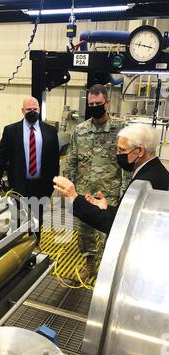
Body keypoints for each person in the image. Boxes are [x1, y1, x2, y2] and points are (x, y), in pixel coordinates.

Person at [54, 124, 169, 235]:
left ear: (140, 151)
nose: (118, 155)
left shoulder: (146, 183)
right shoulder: (156, 171)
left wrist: (74, 198)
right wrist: (105, 208)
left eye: (122, 150)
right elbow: (125, 216)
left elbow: (116, 224)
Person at [65, 84, 130, 280]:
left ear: (107, 103)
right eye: (91, 104)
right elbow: (72, 161)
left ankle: (107, 273)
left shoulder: (121, 131)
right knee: (85, 233)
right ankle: (90, 264)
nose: (94, 106)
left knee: (108, 236)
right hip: (84, 194)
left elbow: (127, 166)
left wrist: (125, 196)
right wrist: (70, 192)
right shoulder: (80, 130)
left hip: (108, 196)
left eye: (98, 103)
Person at [0, 96, 59, 240]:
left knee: (37, 219)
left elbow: (54, 159)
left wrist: (53, 182)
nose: (32, 112)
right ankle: (16, 247)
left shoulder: (50, 131)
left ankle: (33, 246)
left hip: (41, 185)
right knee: (17, 218)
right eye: (29, 109)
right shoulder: (11, 131)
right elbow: (2, 156)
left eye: (35, 109)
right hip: (18, 184)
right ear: (22, 110)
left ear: (39, 110)